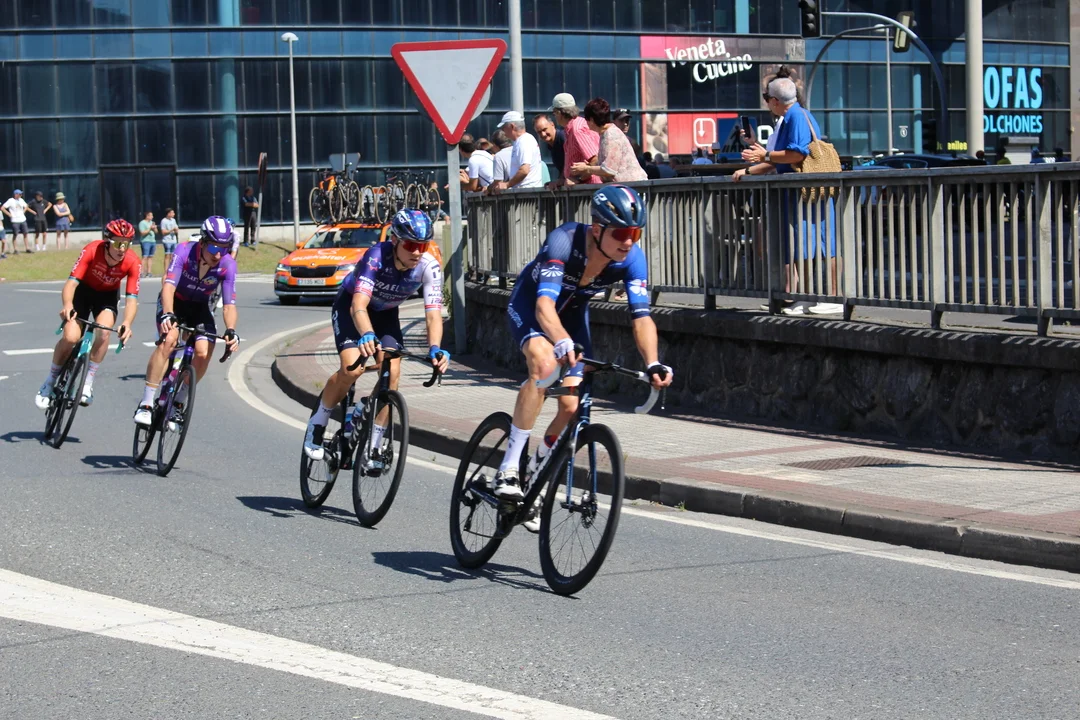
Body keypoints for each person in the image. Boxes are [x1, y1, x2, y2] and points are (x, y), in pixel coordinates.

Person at [493, 185, 673, 526]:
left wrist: (652, 362)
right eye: (621, 233)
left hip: (574, 316)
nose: (628, 242)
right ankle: (509, 468)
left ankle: (535, 470)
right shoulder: (564, 241)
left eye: (635, 233)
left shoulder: (632, 260)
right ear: (597, 229)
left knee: (570, 406)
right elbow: (544, 305)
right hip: (532, 308)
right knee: (545, 365)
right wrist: (560, 340)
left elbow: (641, 317)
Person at [302, 210, 450, 463]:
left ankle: (375, 445)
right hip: (352, 307)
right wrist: (367, 333)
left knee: (391, 373)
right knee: (352, 368)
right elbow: (358, 305)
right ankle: (318, 422)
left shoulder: (429, 266)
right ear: (395, 240)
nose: (417, 252)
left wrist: (435, 348)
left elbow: (433, 315)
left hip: (386, 314)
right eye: (411, 245)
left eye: (423, 245)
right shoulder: (376, 256)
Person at [734, 77, 842, 316]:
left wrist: (764, 156)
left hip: (807, 192)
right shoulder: (792, 117)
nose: (766, 103)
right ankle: (806, 297)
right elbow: (781, 158)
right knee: (805, 244)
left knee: (819, 243)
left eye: (766, 98)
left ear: (774, 100)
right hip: (803, 192)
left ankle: (832, 297)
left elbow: (796, 154)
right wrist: (756, 163)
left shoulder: (795, 117)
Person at [132, 216, 240, 426]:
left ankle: (178, 402)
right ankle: (146, 403)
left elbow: (229, 305)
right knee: (169, 340)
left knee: (203, 352)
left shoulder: (228, 264)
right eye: (214, 247)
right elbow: (168, 287)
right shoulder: (184, 251)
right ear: (203, 242)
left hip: (200, 307)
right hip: (175, 301)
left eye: (224, 248)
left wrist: (231, 330)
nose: (218, 254)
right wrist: (168, 313)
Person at [34, 219, 140, 410]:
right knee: (70, 337)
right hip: (83, 292)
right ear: (107, 241)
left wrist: (127, 322)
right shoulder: (92, 250)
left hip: (107, 297)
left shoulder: (132, 261)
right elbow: (71, 284)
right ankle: (49, 381)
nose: (122, 249)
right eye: (118, 243)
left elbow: (132, 299)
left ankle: (87, 383)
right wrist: (67, 305)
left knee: (104, 332)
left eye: (127, 244)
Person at [571, 98, 648, 183]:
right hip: (627, 186)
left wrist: (587, 168)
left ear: (591, 120)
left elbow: (609, 170)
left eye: (586, 119)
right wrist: (588, 166)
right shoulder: (606, 133)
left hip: (632, 186)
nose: (586, 123)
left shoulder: (611, 135)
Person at [550, 93, 601, 186]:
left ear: (558, 113)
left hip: (589, 188)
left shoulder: (576, 129)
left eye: (554, 113)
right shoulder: (573, 127)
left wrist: (578, 179)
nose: (555, 117)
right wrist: (562, 180)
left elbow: (596, 159)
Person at [490, 111, 544, 191]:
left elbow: (524, 170)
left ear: (512, 126)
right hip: (526, 191)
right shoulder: (522, 140)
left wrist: (507, 184)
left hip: (526, 192)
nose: (503, 131)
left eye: (504, 127)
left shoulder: (524, 141)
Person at [532, 114, 565, 189]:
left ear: (552, 125)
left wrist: (561, 179)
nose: (543, 134)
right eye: (539, 132)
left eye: (544, 129)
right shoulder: (551, 145)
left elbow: (570, 162)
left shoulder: (562, 138)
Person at [2, 189, 31, 254]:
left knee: (25, 233)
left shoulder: (21, 200)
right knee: (15, 234)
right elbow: (2, 208)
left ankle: (27, 248)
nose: (21, 195)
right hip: (15, 220)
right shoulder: (10, 200)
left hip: (22, 219)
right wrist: (9, 214)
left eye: (21, 194)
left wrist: (23, 211)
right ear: (15, 194)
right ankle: (15, 249)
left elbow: (26, 206)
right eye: (19, 194)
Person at [138, 211, 158, 277]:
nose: (152, 217)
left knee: (150, 257)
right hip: (145, 241)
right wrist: (150, 228)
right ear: (147, 216)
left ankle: (149, 272)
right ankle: (141, 272)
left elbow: (156, 232)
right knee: (145, 256)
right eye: (151, 215)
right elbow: (142, 233)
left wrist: (155, 228)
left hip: (153, 241)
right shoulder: (142, 223)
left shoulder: (152, 222)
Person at [159, 208, 179, 273]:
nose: (174, 214)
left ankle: (172, 270)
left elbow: (176, 229)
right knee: (167, 255)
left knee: (173, 256)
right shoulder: (163, 221)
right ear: (168, 213)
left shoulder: (173, 220)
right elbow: (163, 232)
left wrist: (176, 230)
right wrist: (171, 230)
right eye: (172, 213)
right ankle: (166, 271)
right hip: (167, 240)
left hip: (174, 241)